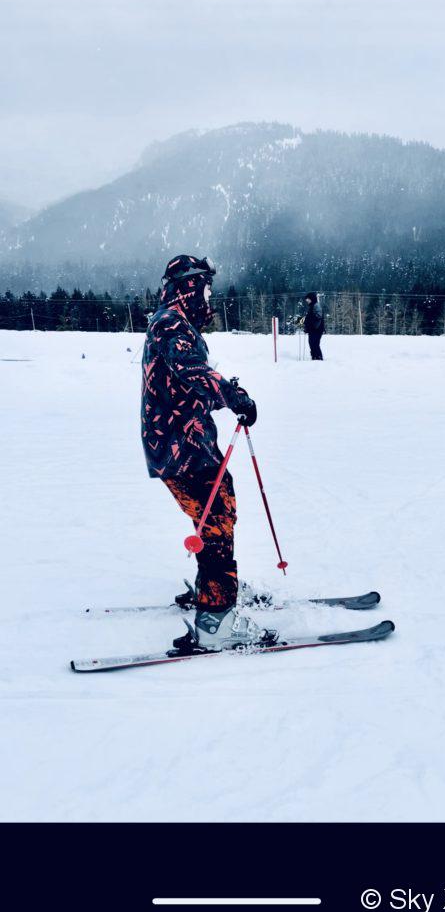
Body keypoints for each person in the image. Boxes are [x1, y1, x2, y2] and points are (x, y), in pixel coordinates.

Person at [141, 254, 277, 653]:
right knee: (216, 516)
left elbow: (187, 383)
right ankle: (216, 617)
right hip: (180, 448)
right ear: (189, 287)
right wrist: (232, 395)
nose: (208, 297)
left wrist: (226, 395)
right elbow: (192, 371)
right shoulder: (171, 324)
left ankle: (215, 583)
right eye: (204, 288)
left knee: (218, 509)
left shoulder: (174, 323)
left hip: (186, 444)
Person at [304, 292, 324, 360]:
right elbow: (309, 318)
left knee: (315, 344)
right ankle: (314, 357)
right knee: (311, 343)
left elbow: (319, 316)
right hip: (313, 329)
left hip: (317, 329)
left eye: (308, 299)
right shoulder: (311, 306)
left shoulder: (316, 305)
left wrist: (309, 319)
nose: (306, 300)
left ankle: (318, 357)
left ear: (311, 299)